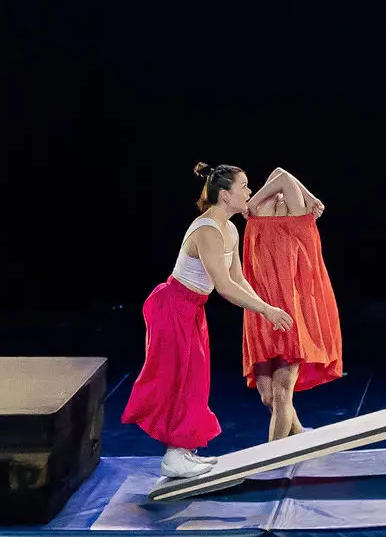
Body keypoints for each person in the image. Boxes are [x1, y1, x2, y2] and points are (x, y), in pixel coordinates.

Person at [122, 163, 295, 480]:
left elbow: (238, 279)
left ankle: (183, 450)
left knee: (196, 379)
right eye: (244, 187)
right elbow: (224, 287)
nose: (250, 192)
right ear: (225, 195)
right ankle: (174, 455)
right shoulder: (207, 231)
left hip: (191, 309)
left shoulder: (230, 230)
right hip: (171, 307)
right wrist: (265, 311)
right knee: (179, 378)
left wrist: (266, 307)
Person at [240, 167, 343, 441]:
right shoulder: (260, 216)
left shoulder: (298, 220)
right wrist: (311, 197)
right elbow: (279, 173)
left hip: (290, 316)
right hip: (262, 315)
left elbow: (284, 178)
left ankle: (272, 459)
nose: (282, 196)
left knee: (281, 392)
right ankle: (301, 439)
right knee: (267, 396)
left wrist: (307, 200)